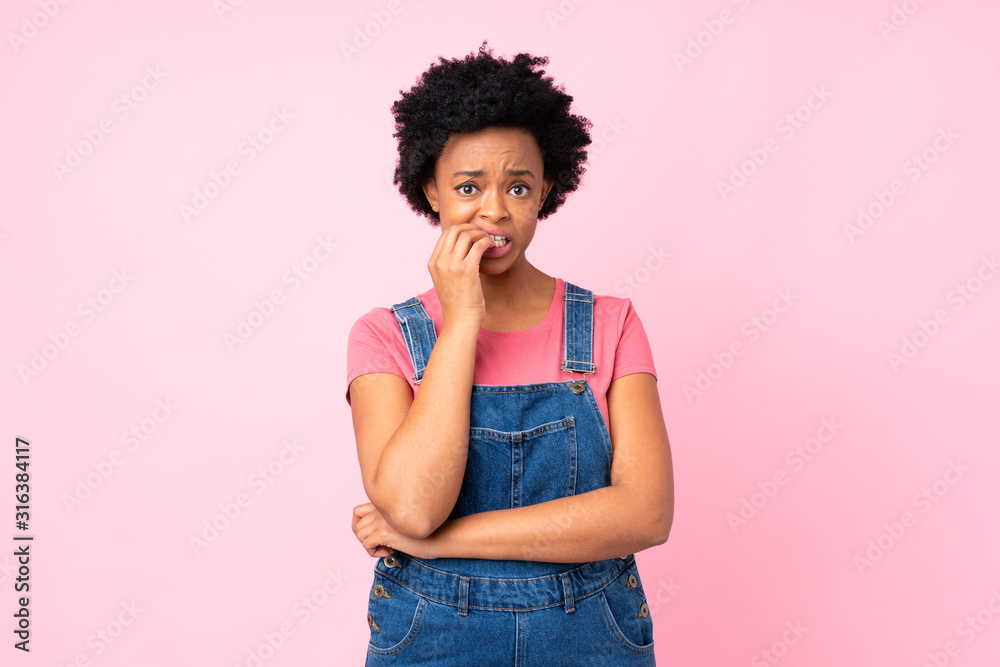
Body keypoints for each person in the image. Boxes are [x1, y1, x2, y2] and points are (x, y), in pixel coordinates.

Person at [346, 41, 674, 665]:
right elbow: (414, 504)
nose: (495, 210)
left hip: (591, 631)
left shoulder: (611, 323)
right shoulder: (384, 335)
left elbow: (646, 513)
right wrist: (462, 316)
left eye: (518, 187)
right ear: (431, 189)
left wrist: (441, 544)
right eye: (468, 186)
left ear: (547, 189)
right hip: (432, 634)